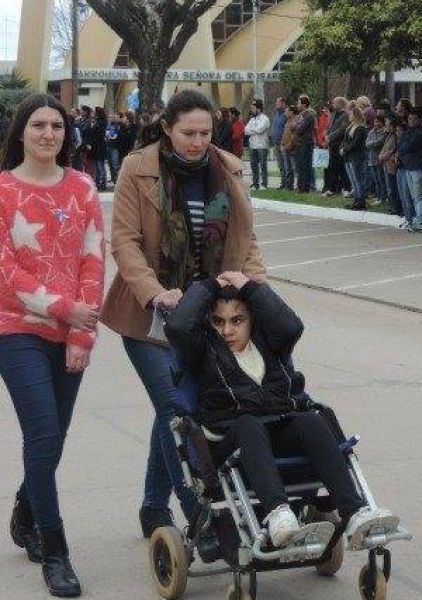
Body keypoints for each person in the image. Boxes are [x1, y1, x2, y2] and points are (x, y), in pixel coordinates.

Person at [100, 89, 266, 545]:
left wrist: (258, 292)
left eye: (205, 133)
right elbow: (125, 242)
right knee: (176, 408)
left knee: (174, 410)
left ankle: (153, 507)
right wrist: (155, 293)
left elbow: (246, 243)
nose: (197, 142)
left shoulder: (228, 170)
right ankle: (199, 513)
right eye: (187, 132)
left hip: (209, 317)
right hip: (150, 319)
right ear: (167, 128)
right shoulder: (139, 167)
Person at [165, 272, 400, 549]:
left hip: (276, 428)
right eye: (219, 321)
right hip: (231, 439)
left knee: (310, 420)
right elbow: (179, 327)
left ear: (252, 319)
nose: (227, 330)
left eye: (237, 320)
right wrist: (210, 286)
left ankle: (355, 513)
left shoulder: (269, 343)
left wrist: (250, 287)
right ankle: (278, 515)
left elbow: (291, 327)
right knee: (249, 424)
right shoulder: (204, 349)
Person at [0, 93, 106, 597]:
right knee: (43, 435)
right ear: (20, 132)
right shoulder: (1, 190)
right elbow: (4, 273)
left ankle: (26, 507)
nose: (48, 133)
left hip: (72, 331)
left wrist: (82, 331)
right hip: (15, 329)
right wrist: (64, 309)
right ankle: (55, 551)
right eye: (38, 124)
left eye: (57, 126)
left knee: (54, 439)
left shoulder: (83, 187)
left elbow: (93, 262)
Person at [396, 106, 422, 232]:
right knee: (410, 196)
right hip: (408, 166)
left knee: (418, 196)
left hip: (417, 167)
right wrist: (402, 146)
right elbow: (400, 144)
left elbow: (409, 145)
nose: (411, 121)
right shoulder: (409, 131)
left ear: (420, 119)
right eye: (409, 118)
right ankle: (413, 220)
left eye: (414, 119)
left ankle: (420, 223)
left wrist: (403, 146)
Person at [340, 107, 368, 210]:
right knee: (352, 180)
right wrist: (342, 147)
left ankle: (361, 201)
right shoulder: (351, 126)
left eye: (351, 114)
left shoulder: (361, 128)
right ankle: (356, 199)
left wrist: (345, 149)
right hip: (348, 156)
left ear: (356, 115)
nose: (349, 116)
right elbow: (345, 139)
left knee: (358, 179)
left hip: (356, 156)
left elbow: (356, 143)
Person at [323, 97, 349, 197]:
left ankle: (346, 188)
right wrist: (326, 136)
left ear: (340, 104)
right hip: (332, 145)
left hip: (340, 145)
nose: (333, 105)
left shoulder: (345, 115)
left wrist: (330, 136)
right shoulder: (334, 114)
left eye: (334, 103)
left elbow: (342, 129)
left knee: (342, 168)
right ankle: (332, 188)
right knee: (332, 167)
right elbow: (330, 126)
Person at [292, 95, 318, 193]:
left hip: (306, 143)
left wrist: (296, 126)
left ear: (303, 104)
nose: (297, 105)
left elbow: (300, 129)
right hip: (299, 143)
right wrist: (296, 126)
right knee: (299, 166)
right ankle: (300, 186)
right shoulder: (301, 115)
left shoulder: (309, 115)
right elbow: (292, 126)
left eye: (298, 103)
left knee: (305, 165)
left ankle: (305, 187)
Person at [246, 99, 271, 190]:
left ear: (259, 109)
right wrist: (253, 130)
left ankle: (264, 184)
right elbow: (245, 130)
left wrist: (252, 130)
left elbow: (260, 130)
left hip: (262, 145)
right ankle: (255, 183)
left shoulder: (265, 119)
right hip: (252, 145)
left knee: (263, 165)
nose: (252, 110)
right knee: (254, 165)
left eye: (253, 108)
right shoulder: (252, 119)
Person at [365, 114, 389, 205]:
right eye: (375, 121)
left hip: (379, 160)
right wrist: (372, 144)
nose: (376, 123)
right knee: (376, 180)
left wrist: (371, 144)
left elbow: (379, 142)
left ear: (382, 122)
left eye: (378, 121)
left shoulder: (384, 132)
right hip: (371, 159)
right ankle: (379, 197)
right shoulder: (371, 132)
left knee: (381, 180)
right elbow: (367, 143)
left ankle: (383, 197)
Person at [271, 97, 293, 190]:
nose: (276, 104)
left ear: (283, 103)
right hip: (276, 143)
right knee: (280, 165)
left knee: (286, 165)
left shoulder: (285, 115)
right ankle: (283, 182)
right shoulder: (276, 115)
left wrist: (284, 142)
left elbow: (287, 130)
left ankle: (288, 184)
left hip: (283, 143)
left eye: (278, 103)